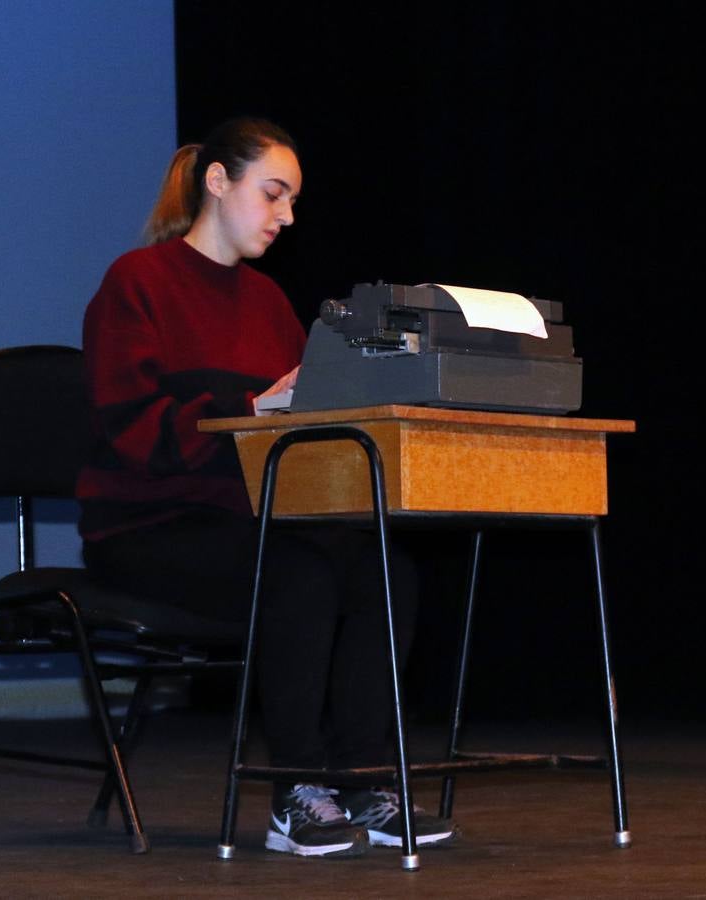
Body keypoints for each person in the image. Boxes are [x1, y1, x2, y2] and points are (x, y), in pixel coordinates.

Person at [76, 117, 454, 855]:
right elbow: (129, 428)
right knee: (299, 575)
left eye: (292, 201)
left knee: (388, 568)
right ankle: (295, 790)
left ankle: (362, 781)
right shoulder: (137, 282)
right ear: (217, 182)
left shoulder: (270, 303)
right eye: (273, 194)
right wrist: (250, 412)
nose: (286, 216)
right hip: (147, 527)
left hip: (250, 522)